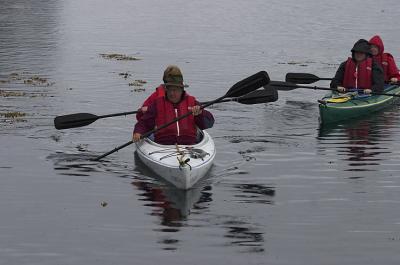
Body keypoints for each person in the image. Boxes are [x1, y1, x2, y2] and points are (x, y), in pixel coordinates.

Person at [132, 65, 214, 145]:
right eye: (169, 89)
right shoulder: (157, 103)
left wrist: (200, 113)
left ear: (181, 89)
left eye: (175, 90)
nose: (172, 93)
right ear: (165, 89)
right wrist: (138, 132)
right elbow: (143, 123)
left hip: (189, 146)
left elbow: (209, 123)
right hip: (163, 146)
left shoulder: (192, 102)